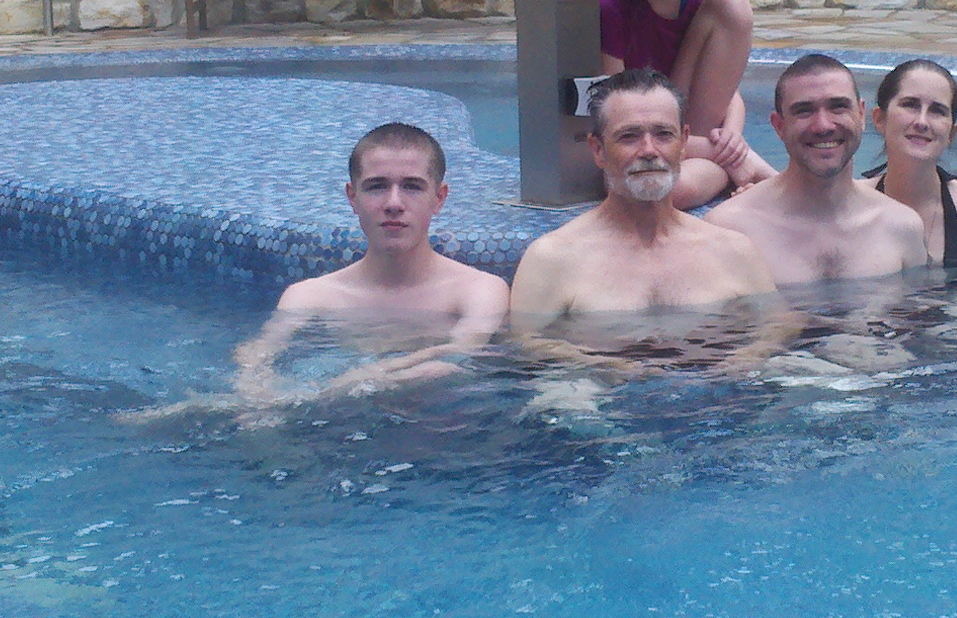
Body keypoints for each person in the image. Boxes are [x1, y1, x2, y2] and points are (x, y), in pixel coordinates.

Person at [231, 123, 509, 406]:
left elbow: (457, 357)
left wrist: (360, 380)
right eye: (377, 187)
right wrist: (254, 393)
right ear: (353, 197)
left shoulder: (477, 291)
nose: (394, 203)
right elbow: (258, 354)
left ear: (439, 198)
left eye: (412, 187)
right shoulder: (311, 296)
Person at [509, 67, 780, 328]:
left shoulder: (732, 251)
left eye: (664, 134)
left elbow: (777, 328)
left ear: (684, 143)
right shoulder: (553, 260)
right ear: (598, 150)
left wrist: (745, 354)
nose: (649, 150)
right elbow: (530, 345)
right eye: (629, 136)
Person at [598, 0, 774, 208]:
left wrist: (732, 138)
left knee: (732, 1)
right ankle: (765, 180)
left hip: (688, 133)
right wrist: (726, 154)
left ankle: (750, 174)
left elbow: (729, 93)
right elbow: (614, 114)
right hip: (639, 137)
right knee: (666, 192)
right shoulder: (612, 1)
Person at [707, 54, 930, 286]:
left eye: (838, 107)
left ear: (861, 115)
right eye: (804, 111)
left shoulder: (901, 227)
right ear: (779, 126)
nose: (823, 126)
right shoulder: (731, 230)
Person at [861, 58, 957, 267]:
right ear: (879, 119)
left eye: (937, 111)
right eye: (910, 105)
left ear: (951, 133)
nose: (922, 122)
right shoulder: (848, 207)